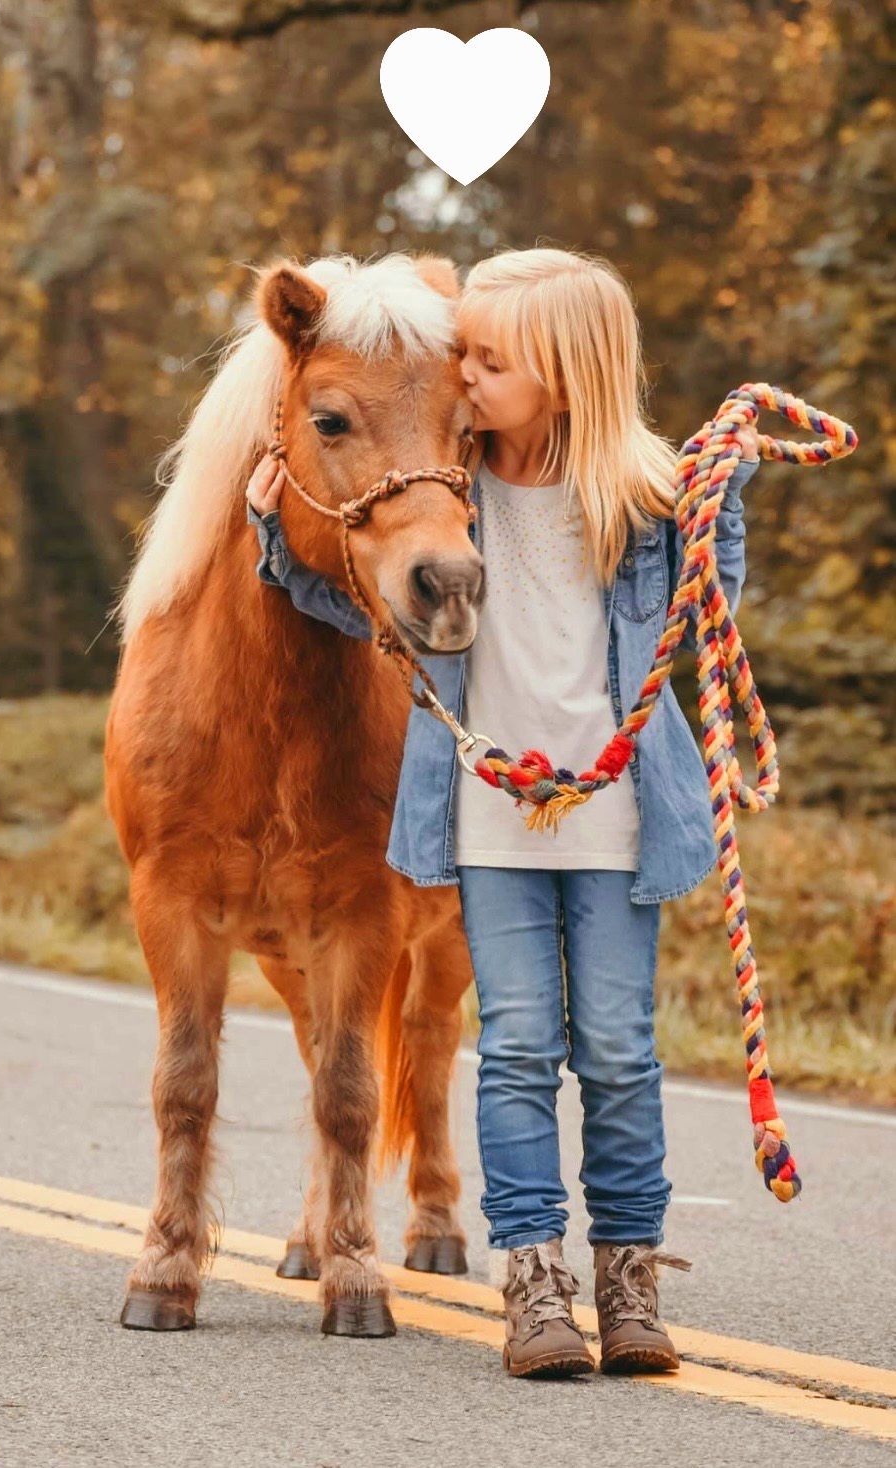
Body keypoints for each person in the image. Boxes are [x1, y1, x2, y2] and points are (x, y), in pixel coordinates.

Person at [246, 247, 760, 1379]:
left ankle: (627, 1277)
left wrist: (722, 500)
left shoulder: (639, 496)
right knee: (517, 1050)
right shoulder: (447, 490)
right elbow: (343, 594)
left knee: (618, 1052)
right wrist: (271, 522)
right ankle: (533, 1280)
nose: (461, 375)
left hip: (617, 821)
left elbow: (703, 613)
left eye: (485, 360)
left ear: (562, 377)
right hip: (490, 823)